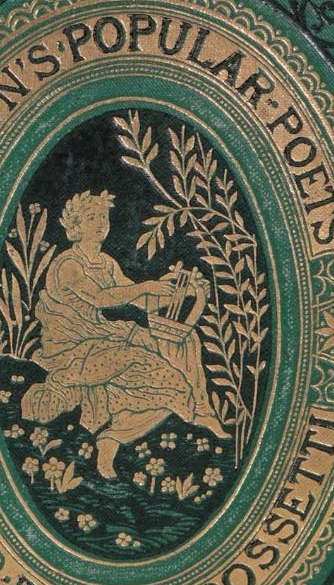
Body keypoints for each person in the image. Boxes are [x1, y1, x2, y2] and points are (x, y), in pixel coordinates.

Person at [20, 189, 227, 479]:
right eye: (92, 218)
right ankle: (130, 430)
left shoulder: (106, 262)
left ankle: (192, 413)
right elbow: (100, 298)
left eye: (103, 217)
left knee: (183, 345)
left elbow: (140, 301)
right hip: (73, 346)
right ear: (75, 226)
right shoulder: (68, 264)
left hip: (104, 336)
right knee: (161, 373)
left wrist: (182, 292)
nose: (100, 223)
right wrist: (146, 286)